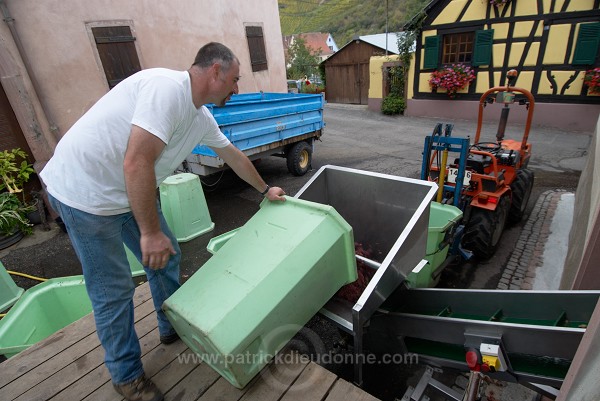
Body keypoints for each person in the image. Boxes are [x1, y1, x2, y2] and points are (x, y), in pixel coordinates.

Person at [39, 42, 285, 401]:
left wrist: (265, 190)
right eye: (234, 80)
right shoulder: (166, 89)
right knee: (114, 290)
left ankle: (171, 327)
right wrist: (150, 232)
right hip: (85, 193)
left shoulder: (200, 117)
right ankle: (127, 378)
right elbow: (136, 162)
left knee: (166, 259)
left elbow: (232, 155)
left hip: (126, 191)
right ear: (215, 70)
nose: (236, 88)